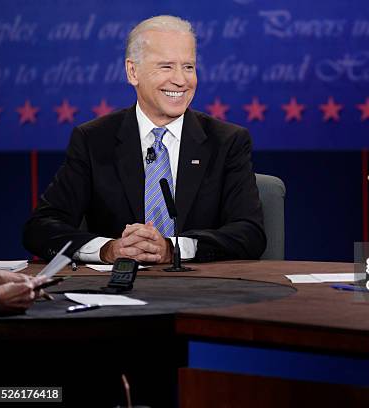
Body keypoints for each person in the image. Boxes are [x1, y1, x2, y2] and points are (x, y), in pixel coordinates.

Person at [23, 15, 265, 264]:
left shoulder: (227, 142)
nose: (181, 80)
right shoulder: (94, 140)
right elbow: (40, 228)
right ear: (133, 71)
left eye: (188, 67)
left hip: (203, 291)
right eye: (166, 66)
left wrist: (172, 249)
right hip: (118, 293)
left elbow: (250, 233)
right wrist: (109, 250)